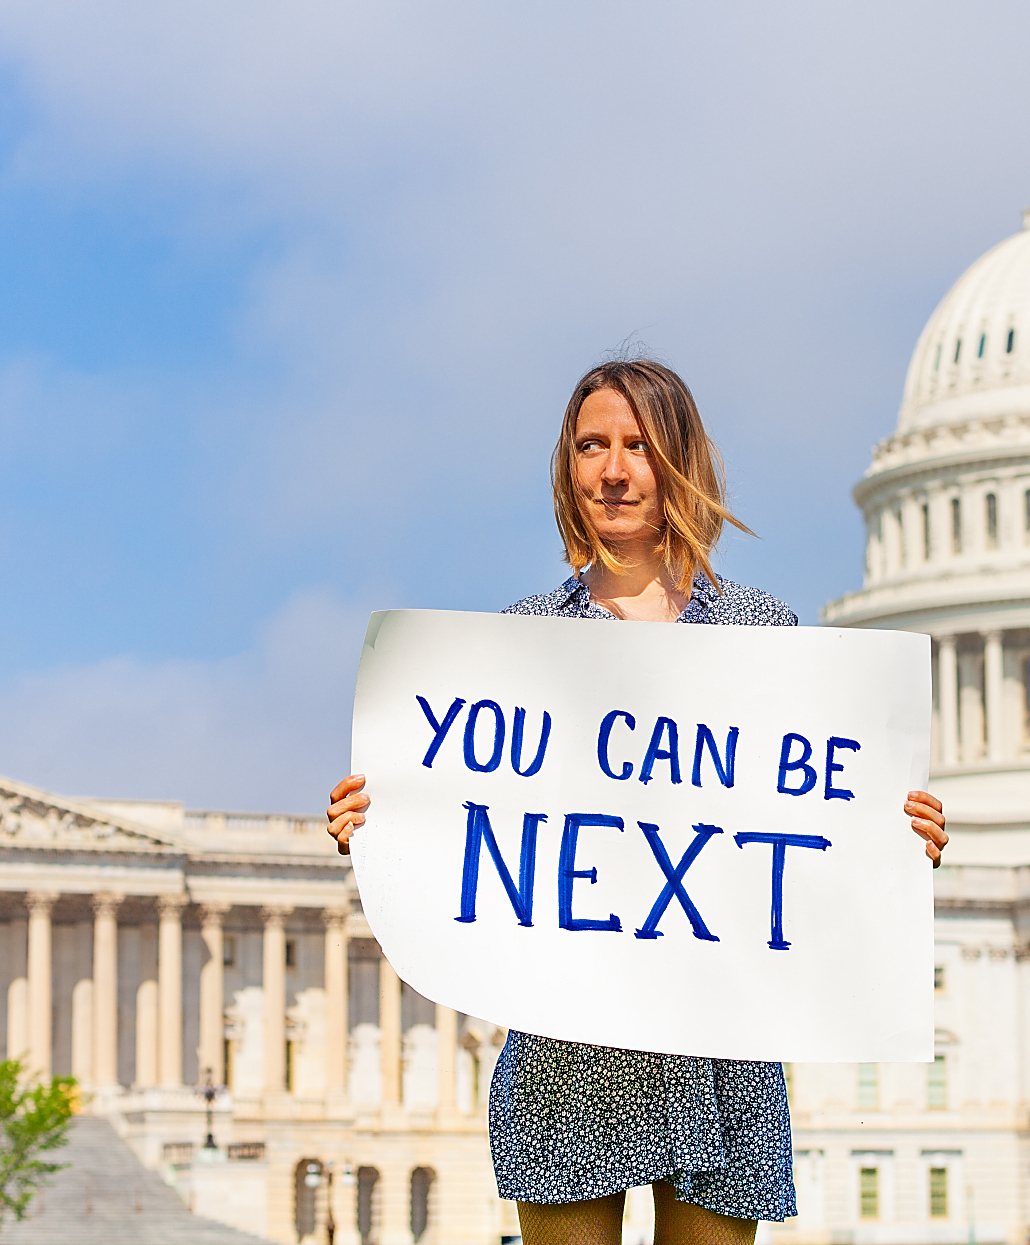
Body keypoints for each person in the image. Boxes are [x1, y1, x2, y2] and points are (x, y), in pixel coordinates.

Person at [326, 357, 947, 1245]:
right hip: (573, 1052)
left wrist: (895, 833)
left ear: (678, 462)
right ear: (568, 466)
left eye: (637, 446)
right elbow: (474, 821)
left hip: (722, 1046)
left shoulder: (761, 633)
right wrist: (382, 822)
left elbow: (813, 828)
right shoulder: (524, 638)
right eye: (592, 446)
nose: (613, 470)